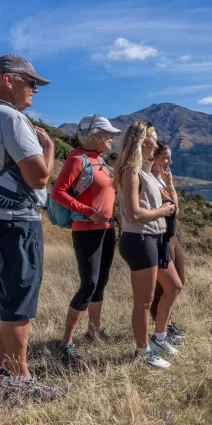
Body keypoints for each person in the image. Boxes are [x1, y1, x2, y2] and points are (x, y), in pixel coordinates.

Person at [0, 54, 63, 399]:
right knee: (19, 302)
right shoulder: (11, 118)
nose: (35, 91)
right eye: (32, 83)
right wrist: (49, 148)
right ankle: (23, 382)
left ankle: (3, 367)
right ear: (9, 80)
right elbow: (39, 177)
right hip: (17, 223)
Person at [50, 114, 121, 371]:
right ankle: (66, 342)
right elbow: (58, 192)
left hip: (107, 228)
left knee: (100, 282)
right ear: (94, 136)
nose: (113, 137)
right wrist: (88, 211)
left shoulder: (100, 160)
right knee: (89, 284)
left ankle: (94, 332)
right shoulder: (77, 159)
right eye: (108, 133)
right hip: (86, 229)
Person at [115, 122, 182, 369]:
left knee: (174, 286)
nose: (157, 144)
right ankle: (142, 351)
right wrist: (162, 210)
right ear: (144, 142)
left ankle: (159, 337)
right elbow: (133, 214)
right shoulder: (130, 171)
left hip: (154, 239)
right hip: (140, 239)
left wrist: (166, 199)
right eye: (154, 140)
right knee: (144, 301)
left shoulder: (143, 172)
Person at [149, 142, 187, 343]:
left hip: (171, 236)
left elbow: (176, 209)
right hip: (160, 236)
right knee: (162, 288)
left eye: (169, 158)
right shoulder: (149, 180)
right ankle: (162, 329)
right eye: (165, 157)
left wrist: (170, 183)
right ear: (153, 157)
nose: (169, 162)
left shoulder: (162, 180)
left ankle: (167, 324)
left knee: (179, 279)